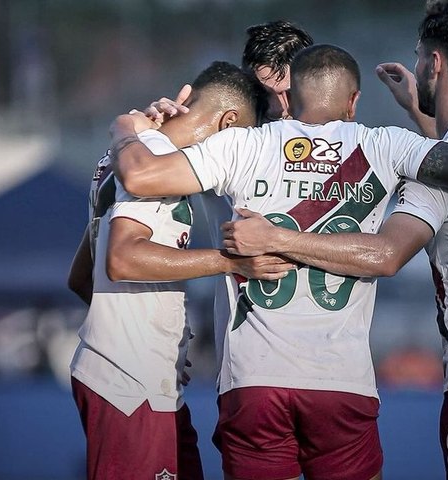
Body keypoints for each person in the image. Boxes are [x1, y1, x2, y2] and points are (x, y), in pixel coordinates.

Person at [109, 43, 448, 480]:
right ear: (353, 101)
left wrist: (127, 127)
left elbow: (141, 174)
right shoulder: (385, 144)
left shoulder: (239, 145)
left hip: (253, 381)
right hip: (341, 383)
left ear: (291, 99)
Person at [221, 2, 448, 479]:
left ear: (434, 65)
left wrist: (275, 237)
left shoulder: (447, 173)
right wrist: (441, 112)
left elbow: (386, 254)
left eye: (419, 56)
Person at [66, 61, 294, 480]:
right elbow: (122, 258)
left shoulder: (124, 155)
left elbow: (83, 276)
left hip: (138, 376)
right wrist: (233, 261)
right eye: (241, 141)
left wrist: (153, 336)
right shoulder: (159, 164)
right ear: (229, 124)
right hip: (131, 385)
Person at [141, 21, 315, 365]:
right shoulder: (226, 145)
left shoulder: (347, 147)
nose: (282, 107)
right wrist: (151, 129)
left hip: (327, 355)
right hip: (246, 359)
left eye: (290, 92)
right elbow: (141, 171)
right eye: (268, 93)